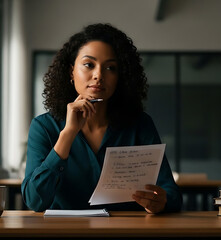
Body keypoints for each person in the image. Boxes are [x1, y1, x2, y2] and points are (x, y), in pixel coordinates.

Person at [21, 23, 182, 214]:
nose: (98, 75)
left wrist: (160, 201)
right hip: (65, 232)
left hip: (126, 232)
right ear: (71, 72)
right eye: (89, 65)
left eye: (111, 68)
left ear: (120, 77)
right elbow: (34, 200)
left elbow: (171, 194)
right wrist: (68, 133)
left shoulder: (139, 124)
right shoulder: (44, 127)